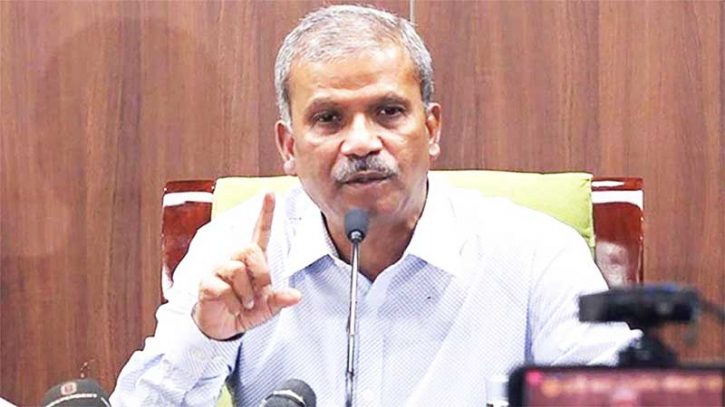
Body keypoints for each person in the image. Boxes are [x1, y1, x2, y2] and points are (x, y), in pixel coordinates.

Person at [111, 5, 637, 406]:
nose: (361, 143)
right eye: (329, 119)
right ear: (289, 147)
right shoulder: (235, 253)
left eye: (388, 111)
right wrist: (204, 337)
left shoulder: (535, 254)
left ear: (431, 129)